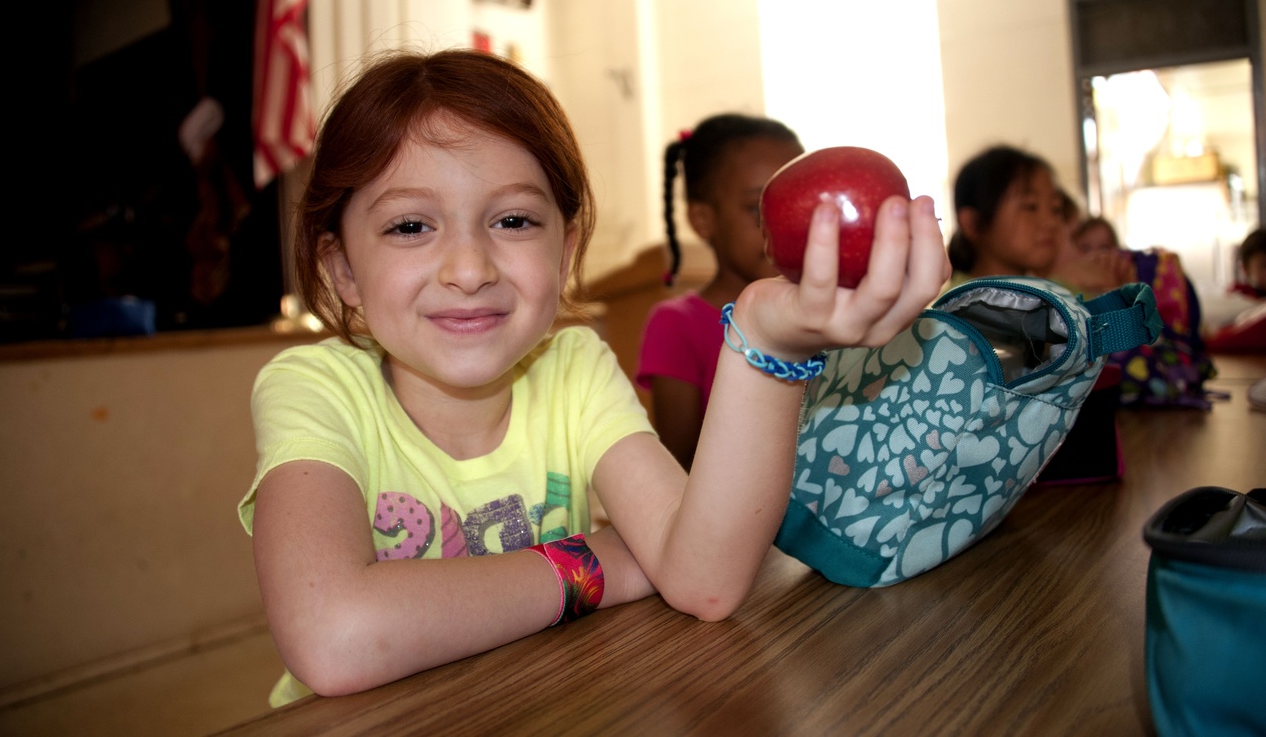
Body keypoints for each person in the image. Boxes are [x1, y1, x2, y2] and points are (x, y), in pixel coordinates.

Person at [237, 50, 949, 706]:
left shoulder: (572, 366)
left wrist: (765, 337)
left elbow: (702, 580)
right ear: (340, 270)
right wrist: (609, 561)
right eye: (410, 227)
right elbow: (335, 638)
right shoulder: (313, 386)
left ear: (565, 247)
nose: (469, 268)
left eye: (513, 220)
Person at [636, 114, 804, 469]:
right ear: (703, 220)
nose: (786, 224)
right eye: (759, 209)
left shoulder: (823, 310)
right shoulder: (676, 325)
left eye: (800, 204)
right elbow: (680, 468)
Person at [947, 146, 1130, 294]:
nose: (1050, 222)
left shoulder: (1064, 285)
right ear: (972, 224)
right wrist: (1057, 286)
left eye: (1055, 209)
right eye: (1030, 207)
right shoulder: (958, 304)